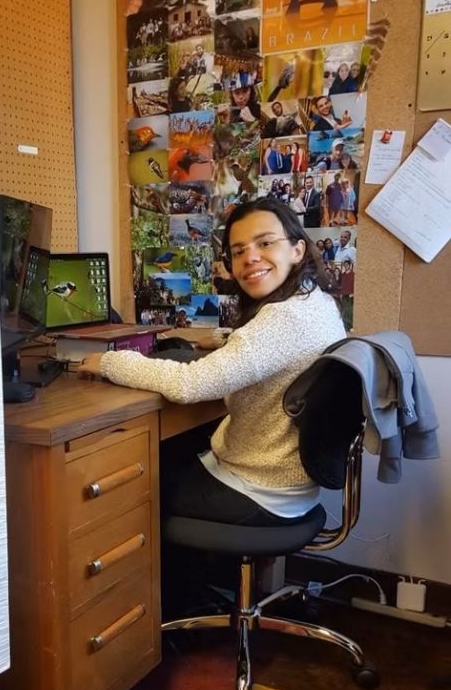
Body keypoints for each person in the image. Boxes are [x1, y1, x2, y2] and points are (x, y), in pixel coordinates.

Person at [78, 199, 346, 528]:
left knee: (134, 487)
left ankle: (177, 564)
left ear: (297, 250)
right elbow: (275, 347)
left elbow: (188, 384)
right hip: (289, 482)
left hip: (260, 489)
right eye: (238, 251)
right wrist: (225, 339)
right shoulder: (314, 301)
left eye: (265, 243)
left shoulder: (284, 319)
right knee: (172, 451)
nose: (250, 257)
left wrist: (108, 361)